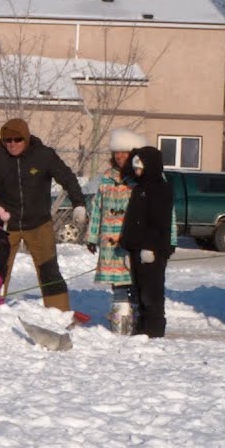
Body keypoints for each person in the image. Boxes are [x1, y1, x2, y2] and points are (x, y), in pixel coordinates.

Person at [0, 117, 87, 311]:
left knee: (49, 269)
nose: (12, 144)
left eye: (17, 139)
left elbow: (67, 178)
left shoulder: (44, 155)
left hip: (39, 223)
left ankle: (59, 311)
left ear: (26, 138)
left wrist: (79, 204)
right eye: (7, 140)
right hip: (6, 226)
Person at [86, 129, 148, 333]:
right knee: (118, 283)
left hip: (132, 240)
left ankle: (136, 322)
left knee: (136, 283)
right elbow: (97, 208)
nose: (120, 156)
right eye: (116, 153)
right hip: (110, 240)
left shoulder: (142, 178)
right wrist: (92, 236)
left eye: (125, 152)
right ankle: (119, 323)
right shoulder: (106, 178)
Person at [118, 146, 175, 338]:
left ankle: (154, 330)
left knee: (152, 293)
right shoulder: (140, 187)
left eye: (139, 167)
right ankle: (143, 329)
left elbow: (160, 222)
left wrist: (150, 247)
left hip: (152, 250)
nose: (136, 171)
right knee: (140, 290)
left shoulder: (160, 188)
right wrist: (128, 247)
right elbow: (134, 220)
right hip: (136, 249)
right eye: (135, 167)